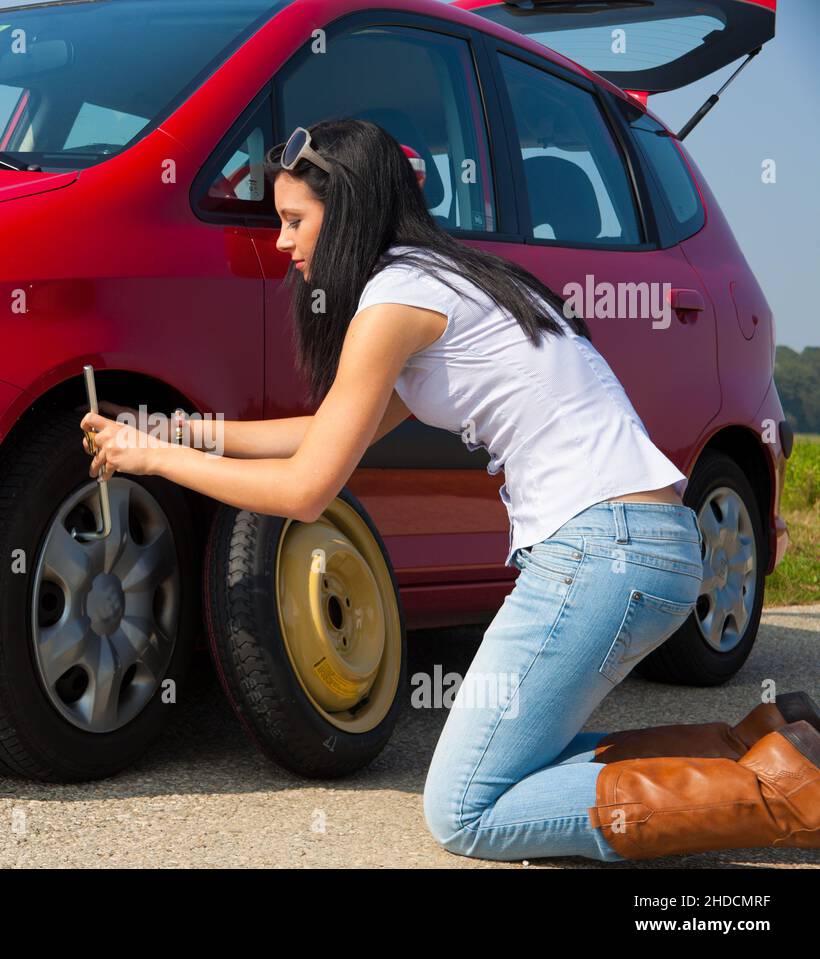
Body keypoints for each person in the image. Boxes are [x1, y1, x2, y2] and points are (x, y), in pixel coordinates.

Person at [78, 118, 819, 861]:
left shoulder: (394, 303)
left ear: (348, 213)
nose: (283, 242)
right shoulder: (446, 281)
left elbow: (306, 489)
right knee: (513, 767)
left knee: (467, 807)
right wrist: (174, 433)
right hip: (641, 542)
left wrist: (155, 462)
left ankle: (782, 794)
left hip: (600, 550)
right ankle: (764, 750)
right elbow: (325, 431)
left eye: (296, 220)